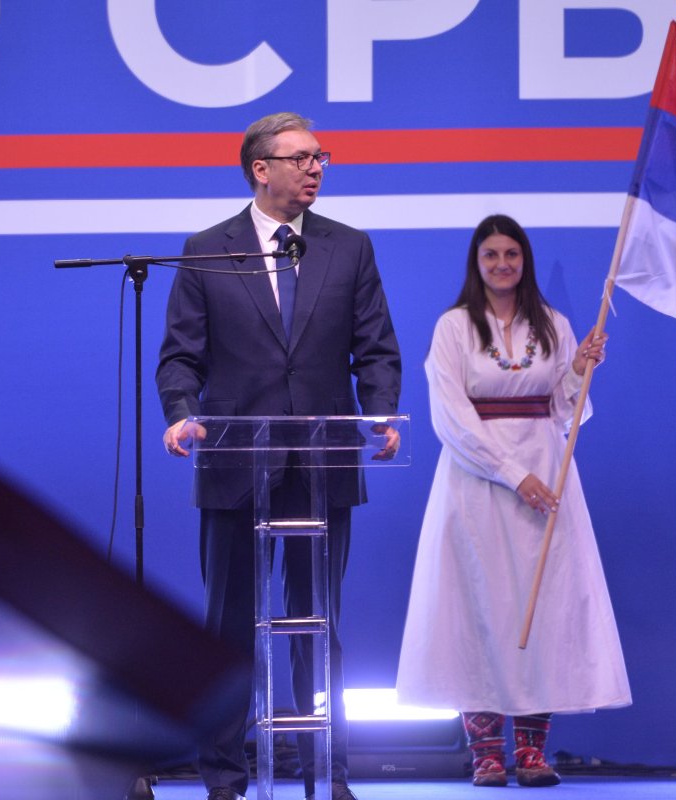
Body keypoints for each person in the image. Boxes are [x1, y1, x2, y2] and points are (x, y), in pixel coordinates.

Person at [157, 112, 402, 800]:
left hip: (322, 464)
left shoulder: (348, 248)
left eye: (320, 157)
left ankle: (326, 773)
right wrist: (181, 415)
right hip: (236, 464)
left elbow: (376, 347)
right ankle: (224, 776)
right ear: (260, 169)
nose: (316, 168)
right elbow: (180, 357)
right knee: (228, 625)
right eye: (301, 158)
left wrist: (381, 411)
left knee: (318, 625)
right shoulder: (206, 250)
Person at [395, 214, 631, 788]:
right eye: (491, 255)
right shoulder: (454, 327)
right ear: (476, 263)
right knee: (478, 608)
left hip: (546, 480)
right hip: (476, 483)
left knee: (541, 606)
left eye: (512, 254)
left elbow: (565, 411)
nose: (502, 264)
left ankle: (531, 751)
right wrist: (510, 472)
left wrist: (578, 371)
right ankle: (485, 752)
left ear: (524, 261)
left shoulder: (553, 324)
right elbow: (451, 416)